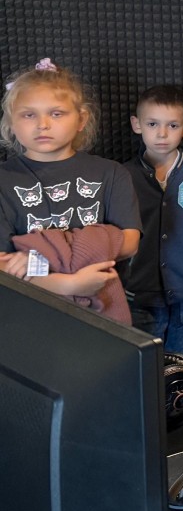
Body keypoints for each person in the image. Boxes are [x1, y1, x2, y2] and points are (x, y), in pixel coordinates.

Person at [0, 58, 140, 321]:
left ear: (81, 119)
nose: (42, 124)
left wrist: (37, 258)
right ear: (11, 123)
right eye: (29, 115)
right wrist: (69, 284)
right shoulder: (4, 180)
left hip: (101, 315)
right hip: (26, 316)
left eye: (56, 113)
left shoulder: (111, 173)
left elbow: (130, 242)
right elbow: (3, 263)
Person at [123, 84, 183, 354]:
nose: (162, 134)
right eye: (152, 124)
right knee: (143, 366)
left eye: (173, 125)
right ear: (137, 124)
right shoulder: (122, 175)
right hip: (140, 289)